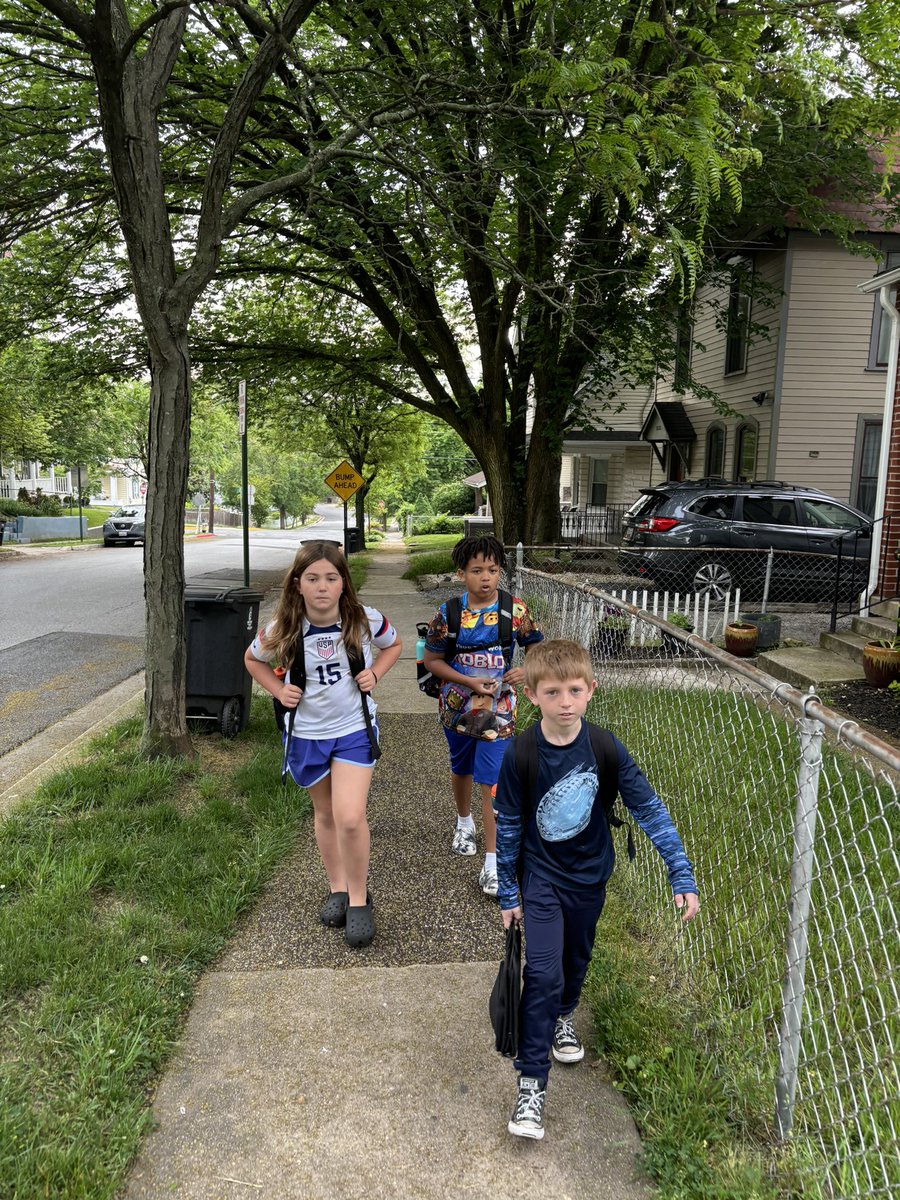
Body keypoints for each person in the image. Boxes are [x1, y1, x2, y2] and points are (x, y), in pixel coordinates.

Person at [494, 639, 699, 1140]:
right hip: (540, 877)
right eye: (553, 691)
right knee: (541, 972)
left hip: (590, 876)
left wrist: (680, 871)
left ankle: (565, 1015)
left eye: (575, 690)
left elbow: (648, 808)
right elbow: (508, 826)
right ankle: (531, 1086)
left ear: (591, 691)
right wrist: (508, 892)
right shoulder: (521, 753)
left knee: (573, 964)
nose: (565, 701)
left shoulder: (605, 747)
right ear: (533, 696)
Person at [244, 541, 402, 948]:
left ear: (343, 584)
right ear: (297, 585)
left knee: (349, 815)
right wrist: (279, 690)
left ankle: (359, 898)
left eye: (331, 578)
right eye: (312, 579)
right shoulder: (283, 627)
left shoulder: (364, 619)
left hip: (353, 730)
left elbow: (394, 646)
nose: (322, 587)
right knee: (325, 814)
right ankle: (337, 886)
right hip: (307, 734)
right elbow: (252, 659)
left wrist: (376, 674)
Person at [422, 534, 543, 897]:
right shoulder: (448, 613)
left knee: (494, 782)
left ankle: (493, 863)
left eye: (492, 570)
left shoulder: (515, 611)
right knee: (461, 768)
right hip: (456, 707)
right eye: (477, 570)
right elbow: (432, 660)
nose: (486, 577)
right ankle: (463, 823)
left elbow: (537, 647)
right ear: (461, 574)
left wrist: (528, 670)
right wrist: (467, 680)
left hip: (500, 712)